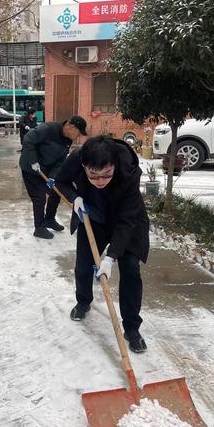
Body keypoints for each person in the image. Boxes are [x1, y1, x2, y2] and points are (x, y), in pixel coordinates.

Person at [56, 135, 150, 353]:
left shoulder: (129, 170)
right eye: (93, 176)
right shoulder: (78, 157)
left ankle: (132, 327)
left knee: (130, 270)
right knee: (83, 264)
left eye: (106, 175)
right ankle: (83, 301)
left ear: (115, 165)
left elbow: (127, 220)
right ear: (84, 166)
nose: (100, 181)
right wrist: (75, 198)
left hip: (126, 221)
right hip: (92, 217)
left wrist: (110, 257)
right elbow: (61, 181)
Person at [19, 115, 87, 239]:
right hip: (30, 168)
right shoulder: (48, 129)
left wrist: (53, 177)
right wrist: (33, 161)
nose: (78, 137)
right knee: (39, 198)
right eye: (78, 133)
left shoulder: (67, 141)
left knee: (56, 192)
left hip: (45, 171)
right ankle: (39, 228)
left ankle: (49, 219)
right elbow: (28, 139)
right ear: (71, 126)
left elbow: (60, 162)